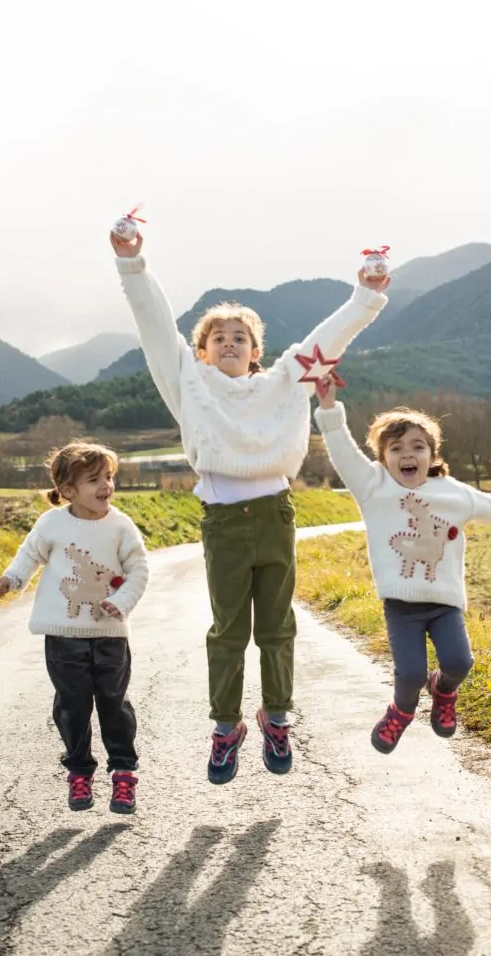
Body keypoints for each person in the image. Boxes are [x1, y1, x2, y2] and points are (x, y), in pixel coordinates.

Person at [110, 228, 389, 784]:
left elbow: (326, 340)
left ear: (257, 351)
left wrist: (367, 294)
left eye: (241, 336)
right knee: (229, 630)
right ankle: (225, 728)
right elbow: (156, 329)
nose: (230, 342)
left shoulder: (287, 379)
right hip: (223, 524)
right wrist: (132, 262)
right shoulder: (187, 382)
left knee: (278, 627)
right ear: (202, 351)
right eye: (219, 337)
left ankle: (278, 718)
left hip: (276, 515)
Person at [314, 377, 491, 754]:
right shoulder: (372, 487)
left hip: (444, 603)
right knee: (409, 674)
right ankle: (402, 711)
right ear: (383, 459)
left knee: (460, 662)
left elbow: (488, 505)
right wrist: (330, 409)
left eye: (418, 446)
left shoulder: (451, 491)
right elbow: (344, 452)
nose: (407, 454)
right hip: (401, 607)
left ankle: (443, 690)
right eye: (395, 448)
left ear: (432, 455)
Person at [0, 441, 149, 812]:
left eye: (109, 477)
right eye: (94, 479)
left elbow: (139, 570)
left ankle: (123, 774)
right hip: (63, 635)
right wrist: (11, 579)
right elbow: (29, 555)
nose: (105, 486)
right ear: (67, 490)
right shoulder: (52, 523)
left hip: (110, 634)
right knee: (72, 706)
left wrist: (122, 602)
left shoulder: (121, 526)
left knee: (114, 703)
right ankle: (79, 771)